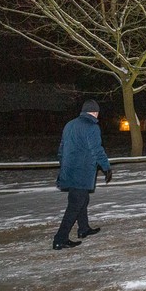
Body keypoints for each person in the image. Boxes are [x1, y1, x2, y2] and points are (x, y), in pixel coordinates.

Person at [53, 99, 112, 250]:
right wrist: (106, 166)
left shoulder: (70, 124)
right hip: (82, 170)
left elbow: (61, 149)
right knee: (74, 205)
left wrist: (64, 165)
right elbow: (96, 149)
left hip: (69, 168)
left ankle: (83, 228)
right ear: (94, 112)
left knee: (82, 200)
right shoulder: (91, 127)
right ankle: (60, 238)